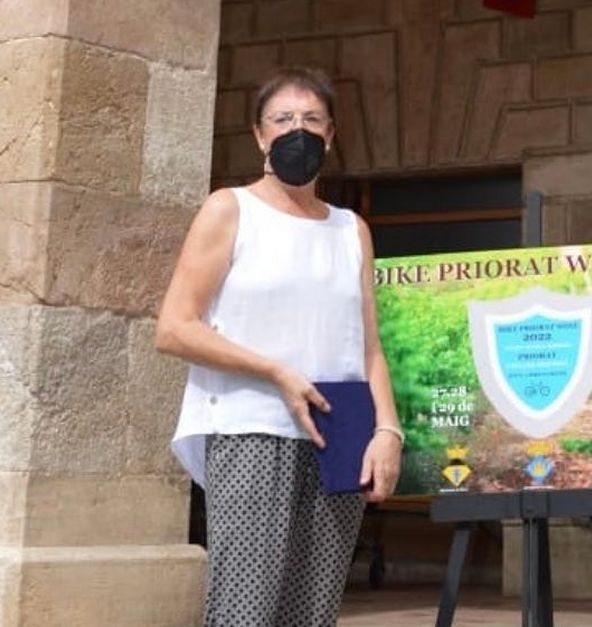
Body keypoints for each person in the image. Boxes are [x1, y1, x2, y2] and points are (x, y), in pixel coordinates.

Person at [155, 66, 404, 626]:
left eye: (312, 119)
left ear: (330, 135)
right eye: (283, 119)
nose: (298, 130)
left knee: (313, 612)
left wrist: (388, 431)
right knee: (245, 611)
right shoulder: (231, 209)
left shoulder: (351, 229)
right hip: (252, 429)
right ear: (260, 134)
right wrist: (276, 372)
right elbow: (174, 326)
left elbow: (369, 346)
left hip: (339, 433)